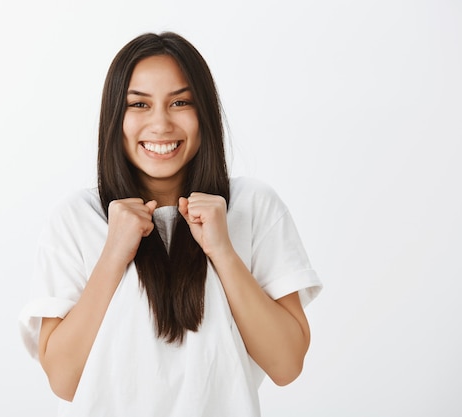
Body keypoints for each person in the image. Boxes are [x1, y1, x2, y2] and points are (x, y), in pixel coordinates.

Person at [19, 31, 322, 416]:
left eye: (180, 102)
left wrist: (223, 252)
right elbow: (63, 381)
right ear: (115, 117)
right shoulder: (76, 218)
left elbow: (287, 364)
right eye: (139, 104)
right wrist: (113, 255)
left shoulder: (253, 206)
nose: (160, 124)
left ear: (205, 112)